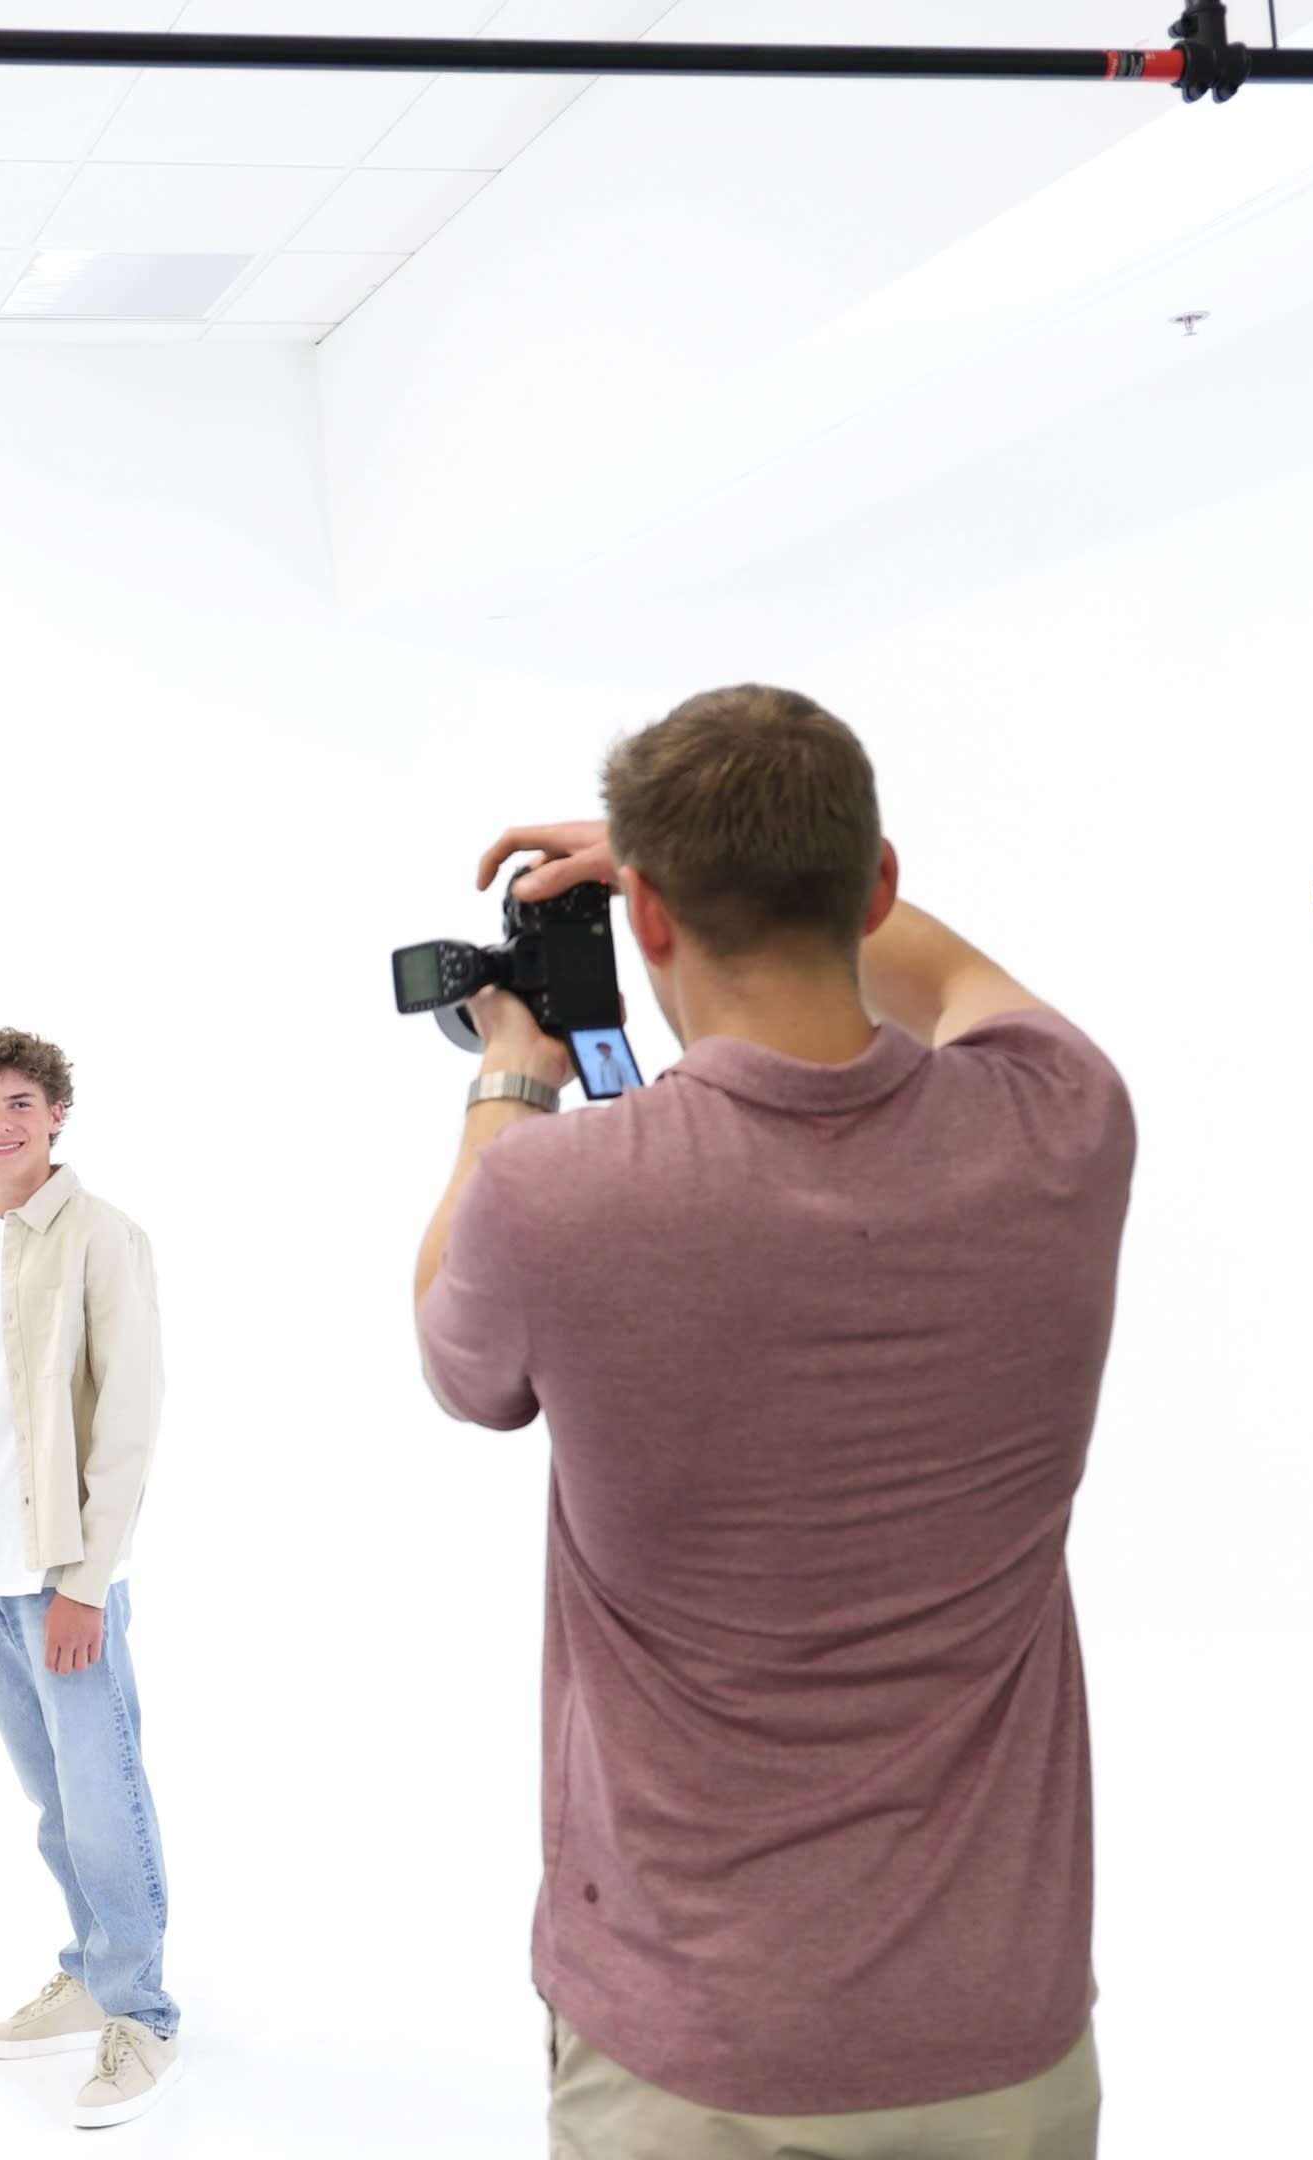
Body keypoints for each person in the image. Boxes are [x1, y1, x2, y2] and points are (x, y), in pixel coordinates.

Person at [412, 686, 1136, 2160]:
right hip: (998, 2032)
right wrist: (710, 857)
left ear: (648, 918)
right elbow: (956, 981)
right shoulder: (1065, 1119)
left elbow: (458, 1361)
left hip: (695, 2050)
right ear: (877, 883)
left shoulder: (554, 1196)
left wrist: (512, 1077)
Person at [0, 1028, 182, 2129]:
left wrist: (84, 1581)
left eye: (21, 1102)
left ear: (57, 1114)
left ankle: (142, 2013)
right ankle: (91, 1972)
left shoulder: (104, 1238)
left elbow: (129, 1422)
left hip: (63, 1577)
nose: (1, 1122)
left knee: (104, 1800)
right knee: (54, 1804)